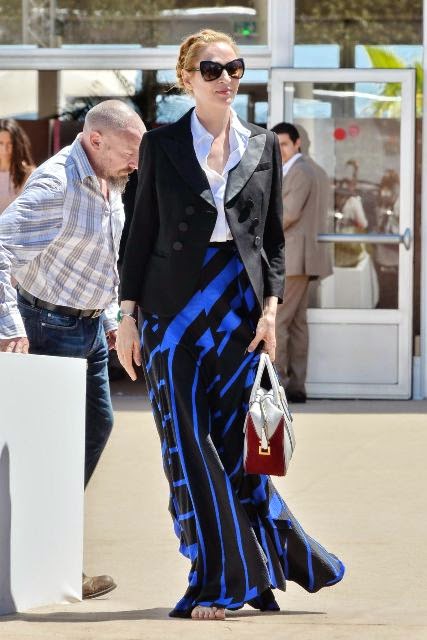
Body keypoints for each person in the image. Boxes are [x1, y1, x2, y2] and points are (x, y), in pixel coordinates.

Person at [117, 29, 344, 621]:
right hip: (171, 310)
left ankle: (256, 568)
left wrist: (270, 312)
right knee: (187, 442)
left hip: (239, 310)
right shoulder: (160, 144)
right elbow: (139, 232)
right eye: (212, 70)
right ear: (187, 78)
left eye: (235, 68)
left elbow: (271, 240)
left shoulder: (262, 144)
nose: (226, 80)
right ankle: (216, 578)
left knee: (236, 448)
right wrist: (127, 316)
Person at [0, 99, 146, 598]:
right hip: (46, 327)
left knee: (95, 428)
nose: (136, 163)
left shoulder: (109, 182)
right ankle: (40, 559)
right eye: (129, 151)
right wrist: (8, 326)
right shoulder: (55, 184)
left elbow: (102, 257)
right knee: (44, 449)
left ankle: (48, 549)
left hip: (88, 330)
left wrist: (109, 318)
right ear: (95, 140)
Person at [271, 122, 332, 403]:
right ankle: (296, 386)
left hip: (294, 258)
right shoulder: (305, 169)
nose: (281, 150)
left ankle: (280, 386)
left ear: (297, 143)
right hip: (299, 257)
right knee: (296, 324)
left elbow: (289, 214)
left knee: (279, 321)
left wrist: (256, 230)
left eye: (285, 144)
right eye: (277, 145)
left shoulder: (300, 171)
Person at [0, 119, 35, 214]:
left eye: (10, 143)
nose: (5, 149)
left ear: (17, 144)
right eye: (1, 143)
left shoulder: (29, 174)